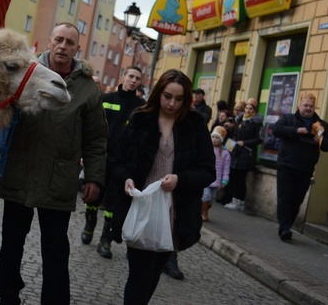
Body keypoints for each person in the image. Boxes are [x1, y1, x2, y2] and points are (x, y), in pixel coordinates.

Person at [0, 23, 107, 305]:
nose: (63, 46)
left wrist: (94, 177)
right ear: (49, 41)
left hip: (59, 178)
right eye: (59, 39)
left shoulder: (87, 89)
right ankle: (8, 297)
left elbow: (96, 138)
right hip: (20, 171)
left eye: (70, 42)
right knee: (11, 243)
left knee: (56, 249)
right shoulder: (26, 71)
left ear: (77, 50)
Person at [108, 69, 215, 303]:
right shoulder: (141, 118)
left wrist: (180, 179)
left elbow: (208, 171)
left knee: (154, 274)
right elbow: (115, 159)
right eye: (167, 96)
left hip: (173, 216)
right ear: (158, 93)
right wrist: (125, 178)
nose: (172, 103)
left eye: (179, 99)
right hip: (141, 209)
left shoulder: (195, 124)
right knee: (139, 276)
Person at [82, 65, 145, 259]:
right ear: (123, 77)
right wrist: (85, 153)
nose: (133, 80)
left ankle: (105, 239)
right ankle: (90, 222)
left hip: (121, 163)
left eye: (137, 78)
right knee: (93, 196)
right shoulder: (106, 100)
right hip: (100, 157)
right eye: (131, 76)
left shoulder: (141, 107)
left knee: (113, 201)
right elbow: (91, 127)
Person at [272, 92, 328, 241]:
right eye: (305, 105)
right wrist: (295, 131)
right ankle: (284, 228)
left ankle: (287, 225)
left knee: (297, 200)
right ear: (299, 105)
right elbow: (276, 130)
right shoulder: (289, 119)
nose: (308, 108)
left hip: (306, 169)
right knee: (285, 197)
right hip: (286, 165)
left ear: (315, 107)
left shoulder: (322, 125)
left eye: (311, 106)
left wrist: (319, 140)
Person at [224, 98, 263, 211]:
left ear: (254, 110)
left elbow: (259, 139)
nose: (248, 110)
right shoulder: (240, 120)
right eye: (246, 108)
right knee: (234, 177)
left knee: (241, 179)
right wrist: (229, 147)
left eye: (250, 108)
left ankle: (240, 201)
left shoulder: (256, 123)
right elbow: (236, 135)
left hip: (247, 153)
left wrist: (245, 143)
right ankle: (234, 200)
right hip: (236, 153)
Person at [202, 125, 230, 222]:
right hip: (206, 178)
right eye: (213, 137)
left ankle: (204, 210)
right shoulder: (207, 148)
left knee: (212, 198)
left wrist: (225, 180)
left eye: (217, 137)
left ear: (221, 139)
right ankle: (204, 213)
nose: (214, 139)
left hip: (217, 179)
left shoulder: (225, 153)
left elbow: (226, 168)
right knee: (206, 195)